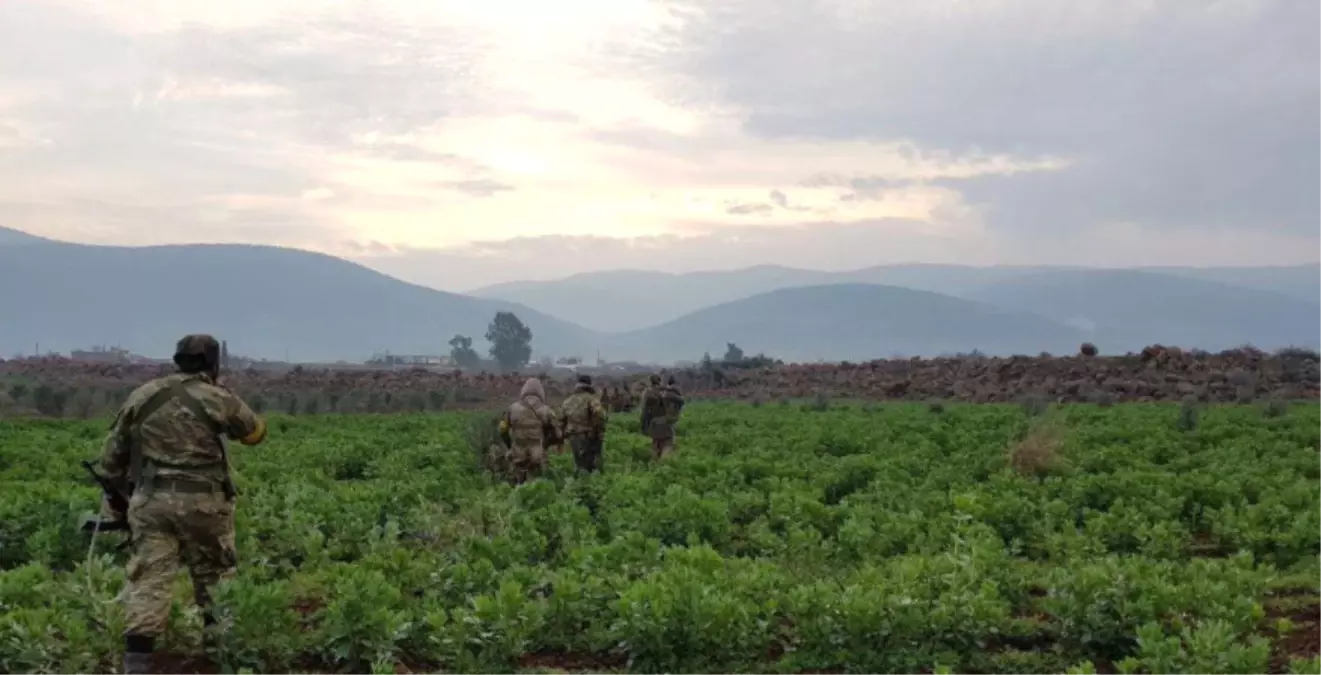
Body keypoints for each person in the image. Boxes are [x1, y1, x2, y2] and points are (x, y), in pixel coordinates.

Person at [98, 335, 267, 675]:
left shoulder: (143, 395)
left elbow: (111, 458)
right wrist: (227, 394)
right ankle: (219, 655)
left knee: (149, 578)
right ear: (213, 363)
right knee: (215, 577)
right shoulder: (218, 397)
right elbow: (254, 434)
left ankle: (137, 662)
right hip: (204, 505)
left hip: (151, 504)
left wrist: (115, 502)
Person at [498, 377, 561, 485]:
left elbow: (502, 430)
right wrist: (545, 445)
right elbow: (558, 434)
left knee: (518, 482)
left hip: (517, 451)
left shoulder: (512, 408)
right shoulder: (546, 410)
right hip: (537, 452)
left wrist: (509, 446)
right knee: (536, 484)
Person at [559, 374, 608, 473]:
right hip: (587, 437)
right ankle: (590, 485)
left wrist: (562, 437)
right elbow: (600, 415)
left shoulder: (567, 401)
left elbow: (561, 420)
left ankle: (579, 484)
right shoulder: (591, 399)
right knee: (591, 465)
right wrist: (597, 430)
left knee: (579, 464)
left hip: (573, 437)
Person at [639, 374, 685, 459]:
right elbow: (681, 401)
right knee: (668, 443)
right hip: (665, 422)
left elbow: (644, 412)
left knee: (655, 444)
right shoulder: (665, 392)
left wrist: (644, 427)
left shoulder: (648, 393)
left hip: (653, 423)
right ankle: (663, 464)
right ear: (659, 381)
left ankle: (653, 465)